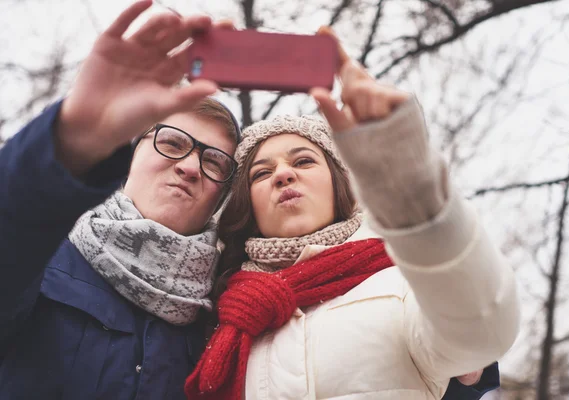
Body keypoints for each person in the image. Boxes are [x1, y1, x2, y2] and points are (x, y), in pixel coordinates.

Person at [184, 29, 520, 400]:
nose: (282, 173)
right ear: (247, 204)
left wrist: (413, 187)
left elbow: (481, 332)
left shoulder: (406, 283)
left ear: (338, 184)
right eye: (261, 172)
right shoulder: (219, 312)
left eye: (303, 160)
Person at [0, 2, 240, 399]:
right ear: (132, 153)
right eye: (173, 143)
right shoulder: (44, 257)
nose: (190, 168)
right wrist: (74, 138)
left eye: (214, 161)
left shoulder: (220, 314)